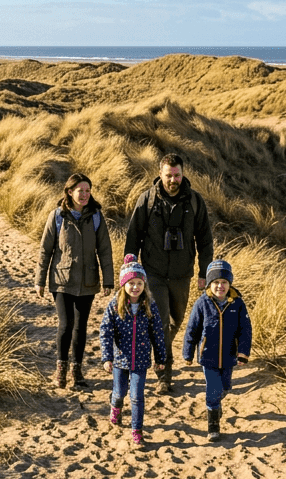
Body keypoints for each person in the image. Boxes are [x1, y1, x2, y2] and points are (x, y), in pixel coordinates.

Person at [123, 153, 213, 395]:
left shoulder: (195, 201)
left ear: (182, 174)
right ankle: (164, 374)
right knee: (161, 322)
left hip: (183, 273)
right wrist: (130, 267)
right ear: (160, 174)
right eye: (168, 175)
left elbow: (205, 240)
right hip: (153, 272)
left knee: (176, 320)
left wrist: (204, 272)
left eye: (177, 175)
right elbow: (133, 234)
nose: (173, 180)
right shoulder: (147, 199)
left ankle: (159, 347)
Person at [36, 172, 114, 389]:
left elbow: (105, 250)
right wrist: (39, 280)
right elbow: (45, 250)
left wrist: (108, 280)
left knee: (81, 327)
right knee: (66, 324)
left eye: (88, 191)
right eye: (81, 191)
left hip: (88, 281)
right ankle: (60, 371)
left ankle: (76, 372)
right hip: (61, 279)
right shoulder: (57, 216)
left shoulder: (96, 217)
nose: (85, 195)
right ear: (70, 192)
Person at [99, 254, 169, 447]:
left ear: (144, 284)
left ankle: (137, 430)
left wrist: (161, 358)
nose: (135, 287)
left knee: (137, 397)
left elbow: (157, 333)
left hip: (141, 361)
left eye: (139, 283)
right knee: (119, 392)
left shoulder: (150, 306)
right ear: (124, 285)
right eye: (131, 283)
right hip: (120, 360)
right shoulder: (115, 305)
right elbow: (105, 331)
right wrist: (107, 357)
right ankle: (116, 408)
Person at [182, 260, 252, 442]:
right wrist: (188, 352)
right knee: (213, 389)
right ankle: (213, 424)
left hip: (229, 355)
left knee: (225, 386)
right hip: (208, 356)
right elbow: (192, 328)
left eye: (224, 282)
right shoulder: (202, 303)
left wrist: (243, 353)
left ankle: (216, 402)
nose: (220, 286)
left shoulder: (237, 303)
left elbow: (245, 329)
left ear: (230, 284)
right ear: (209, 284)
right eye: (216, 282)